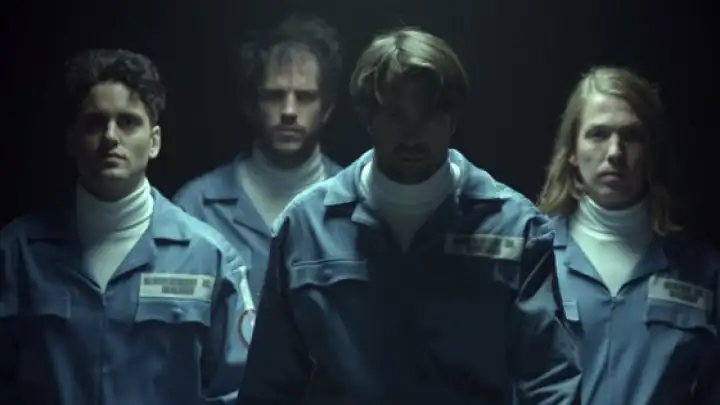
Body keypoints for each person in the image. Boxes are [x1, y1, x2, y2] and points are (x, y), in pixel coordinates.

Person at [236, 27, 581, 405]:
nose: (412, 133)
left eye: (429, 114)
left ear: (452, 118)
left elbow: (550, 380)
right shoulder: (305, 227)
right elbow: (268, 386)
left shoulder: (515, 227)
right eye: (395, 114)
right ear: (368, 118)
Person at [0, 49, 251, 405]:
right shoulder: (16, 254)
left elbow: (239, 390)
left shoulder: (209, 259)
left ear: (154, 141)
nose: (110, 137)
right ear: (71, 140)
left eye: (128, 122)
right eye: (95, 122)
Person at [537, 66, 720, 405]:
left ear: (652, 150)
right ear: (572, 150)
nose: (615, 153)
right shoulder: (533, 256)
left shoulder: (701, 269)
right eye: (598, 134)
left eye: (632, 136)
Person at [173, 15, 344, 330]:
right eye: (274, 95)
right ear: (251, 104)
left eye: (305, 97)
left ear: (327, 109)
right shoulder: (195, 209)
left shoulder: (357, 208)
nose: (289, 111)